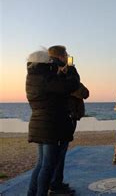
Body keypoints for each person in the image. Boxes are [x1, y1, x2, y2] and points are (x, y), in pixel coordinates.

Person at [26, 46, 80, 196]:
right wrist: (71, 68)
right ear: (44, 62)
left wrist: (60, 74)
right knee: (48, 166)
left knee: (41, 164)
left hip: (40, 124)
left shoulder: (34, 77)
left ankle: (32, 193)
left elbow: (55, 93)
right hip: (51, 126)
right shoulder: (45, 78)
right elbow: (72, 85)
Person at [50, 63, 89, 195]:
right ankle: (55, 184)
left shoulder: (59, 80)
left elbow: (85, 93)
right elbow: (82, 92)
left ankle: (56, 182)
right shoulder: (62, 80)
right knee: (58, 153)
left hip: (70, 116)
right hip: (67, 117)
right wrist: (73, 79)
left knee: (60, 153)